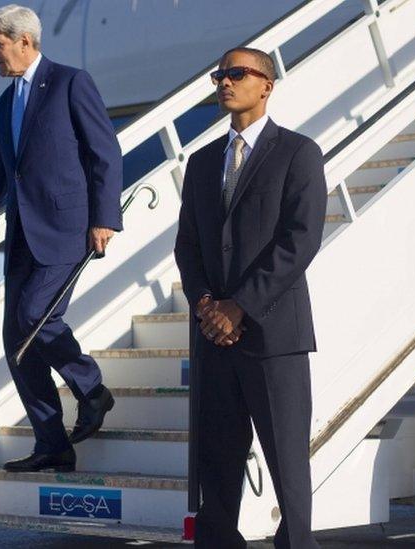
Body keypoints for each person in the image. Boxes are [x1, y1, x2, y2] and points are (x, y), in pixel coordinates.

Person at [0, 4, 123, 473]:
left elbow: (104, 152)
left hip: (67, 227)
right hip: (22, 234)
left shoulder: (69, 82)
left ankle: (93, 388)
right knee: (15, 339)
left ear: (25, 42)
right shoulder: (4, 104)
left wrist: (105, 218)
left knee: (36, 315)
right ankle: (52, 443)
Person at [174, 47, 326, 549]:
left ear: (267, 85)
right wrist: (205, 305)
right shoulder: (199, 164)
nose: (224, 81)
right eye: (219, 74)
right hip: (215, 338)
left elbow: (299, 240)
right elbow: (188, 245)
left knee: (286, 463)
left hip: (274, 335)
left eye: (236, 73)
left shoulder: (298, 153)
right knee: (216, 466)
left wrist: (239, 306)